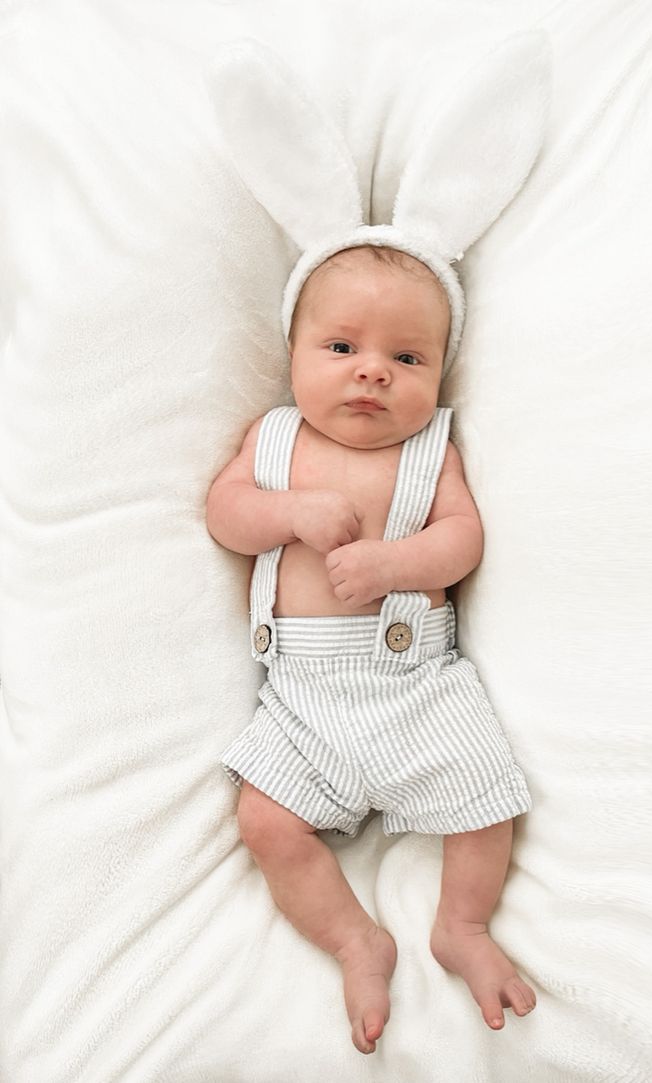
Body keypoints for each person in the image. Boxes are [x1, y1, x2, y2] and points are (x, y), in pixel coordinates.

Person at [206, 243, 537, 1055]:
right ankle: (358, 941)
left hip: (415, 684)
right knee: (265, 821)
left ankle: (460, 923)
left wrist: (396, 563)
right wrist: (286, 514)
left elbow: (461, 540)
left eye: (408, 356)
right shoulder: (274, 440)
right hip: (302, 703)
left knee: (489, 795)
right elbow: (226, 514)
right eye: (343, 347)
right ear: (294, 353)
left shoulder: (431, 454)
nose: (373, 373)